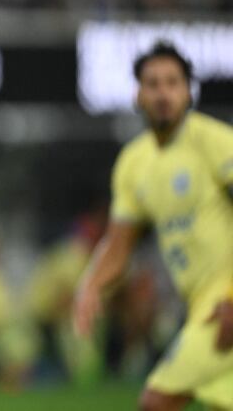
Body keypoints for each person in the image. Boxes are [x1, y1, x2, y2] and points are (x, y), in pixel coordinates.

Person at [73, 42, 233, 411]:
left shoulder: (214, 141)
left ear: (189, 91)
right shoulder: (134, 162)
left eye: (173, 83)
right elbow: (118, 244)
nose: (164, 94)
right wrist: (91, 285)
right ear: (138, 94)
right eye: (154, 84)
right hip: (200, 305)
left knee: (157, 401)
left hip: (221, 302)